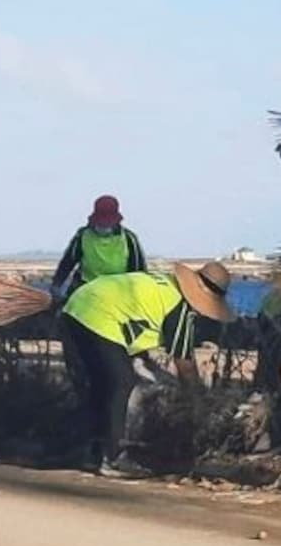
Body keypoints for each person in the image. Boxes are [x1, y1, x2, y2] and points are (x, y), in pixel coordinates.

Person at [61, 262, 236, 477]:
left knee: (98, 385)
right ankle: (113, 458)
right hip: (99, 316)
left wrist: (144, 361)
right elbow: (184, 361)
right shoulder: (181, 307)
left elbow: (134, 317)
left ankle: (91, 452)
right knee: (122, 383)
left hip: (76, 306)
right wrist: (197, 399)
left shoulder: (163, 284)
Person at [50, 195, 146, 304]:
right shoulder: (82, 235)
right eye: (101, 224)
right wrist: (56, 285)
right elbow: (68, 262)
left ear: (115, 222)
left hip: (118, 290)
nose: (103, 227)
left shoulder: (129, 238)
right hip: (85, 288)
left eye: (106, 224)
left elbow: (139, 271)